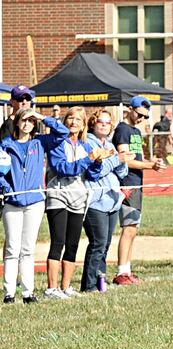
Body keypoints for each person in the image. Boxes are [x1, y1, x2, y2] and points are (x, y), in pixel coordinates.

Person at [1, 109, 68, 304]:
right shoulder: (6, 144)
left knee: (28, 248)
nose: (27, 123)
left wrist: (41, 117)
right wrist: (7, 188)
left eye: (31, 120)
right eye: (24, 119)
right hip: (12, 202)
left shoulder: (40, 142)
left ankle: (28, 293)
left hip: (35, 202)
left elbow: (62, 132)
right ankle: (9, 293)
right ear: (17, 122)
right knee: (12, 247)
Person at [45, 106, 113, 299]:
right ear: (65, 121)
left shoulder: (86, 145)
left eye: (78, 120)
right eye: (70, 118)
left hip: (78, 197)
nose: (74, 122)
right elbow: (63, 169)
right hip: (58, 195)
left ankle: (66, 287)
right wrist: (90, 158)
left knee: (72, 244)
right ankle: (51, 289)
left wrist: (97, 162)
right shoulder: (58, 142)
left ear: (83, 125)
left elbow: (92, 176)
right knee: (58, 242)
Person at [112, 96, 167, 285]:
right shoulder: (122, 130)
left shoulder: (135, 130)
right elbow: (126, 160)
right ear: (130, 109)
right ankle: (121, 272)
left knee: (133, 228)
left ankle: (127, 270)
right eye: (139, 114)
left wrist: (152, 162)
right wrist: (150, 165)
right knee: (128, 228)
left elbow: (138, 157)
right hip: (127, 183)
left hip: (136, 182)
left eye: (145, 116)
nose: (142, 119)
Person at [81, 110, 132, 292]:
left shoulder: (110, 145)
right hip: (95, 202)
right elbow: (95, 173)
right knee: (98, 243)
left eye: (108, 122)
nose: (104, 124)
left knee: (105, 245)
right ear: (93, 124)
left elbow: (122, 173)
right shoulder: (88, 143)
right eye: (100, 121)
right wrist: (116, 159)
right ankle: (88, 286)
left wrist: (122, 160)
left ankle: (99, 282)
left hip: (112, 201)